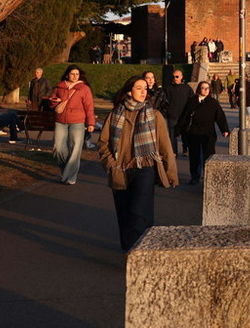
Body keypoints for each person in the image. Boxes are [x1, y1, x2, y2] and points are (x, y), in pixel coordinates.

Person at [98, 75, 179, 251]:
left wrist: (171, 172)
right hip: (121, 169)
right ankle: (129, 248)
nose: (143, 92)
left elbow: (165, 146)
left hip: (145, 168)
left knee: (139, 211)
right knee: (124, 212)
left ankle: (139, 251)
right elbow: (103, 144)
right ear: (129, 91)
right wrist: (112, 166)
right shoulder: (115, 114)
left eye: (145, 88)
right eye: (139, 88)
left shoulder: (154, 115)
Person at [48, 65, 95, 185]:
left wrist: (91, 123)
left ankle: (70, 177)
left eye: (77, 74)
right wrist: (55, 101)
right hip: (60, 120)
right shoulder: (60, 86)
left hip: (77, 121)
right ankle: (67, 171)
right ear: (67, 74)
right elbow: (51, 102)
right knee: (58, 148)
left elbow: (89, 107)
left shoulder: (84, 88)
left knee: (75, 149)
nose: (75, 76)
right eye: (72, 74)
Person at [177, 80, 230, 185]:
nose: (205, 90)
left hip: (208, 133)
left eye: (207, 88)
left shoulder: (213, 102)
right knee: (194, 156)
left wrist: (224, 129)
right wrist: (178, 129)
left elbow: (220, 116)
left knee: (209, 155)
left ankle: (208, 176)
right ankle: (195, 176)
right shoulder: (191, 101)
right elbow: (184, 116)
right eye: (203, 88)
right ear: (198, 89)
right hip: (194, 133)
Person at [162, 69, 192, 155]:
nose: (175, 78)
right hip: (172, 115)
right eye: (173, 76)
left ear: (181, 77)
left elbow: (191, 100)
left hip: (184, 115)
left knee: (185, 133)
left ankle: (185, 148)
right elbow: (164, 101)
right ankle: (174, 152)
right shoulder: (167, 88)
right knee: (172, 135)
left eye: (177, 76)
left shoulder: (187, 88)